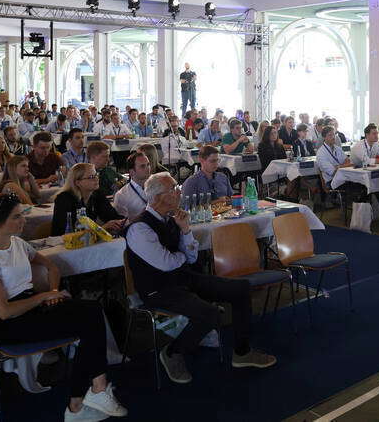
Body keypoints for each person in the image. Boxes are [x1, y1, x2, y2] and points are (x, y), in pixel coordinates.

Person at [0, 192, 127, 421]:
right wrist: (45, 296)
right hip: (8, 325)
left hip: (30, 308)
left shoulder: (17, 243)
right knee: (89, 321)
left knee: (92, 311)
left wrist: (51, 292)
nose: (23, 221)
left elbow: (52, 267)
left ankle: (88, 396)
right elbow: (3, 311)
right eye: (16, 217)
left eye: (22, 215)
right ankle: (85, 397)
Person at [126, 172, 274, 384]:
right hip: (157, 289)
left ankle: (242, 352)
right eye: (174, 189)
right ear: (159, 197)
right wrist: (182, 256)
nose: (179, 192)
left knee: (241, 288)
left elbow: (191, 256)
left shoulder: (173, 218)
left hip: (183, 278)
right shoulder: (140, 228)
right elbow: (167, 264)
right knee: (210, 314)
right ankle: (173, 352)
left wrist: (185, 230)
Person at [51, 163, 125, 236]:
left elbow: (112, 216)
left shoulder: (96, 194)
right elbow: (70, 231)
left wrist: (124, 221)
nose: (97, 179)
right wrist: (103, 228)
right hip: (63, 243)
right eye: (91, 177)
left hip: (87, 241)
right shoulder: (64, 199)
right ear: (78, 182)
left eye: (96, 175)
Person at [112, 152, 151, 220]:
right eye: (142, 166)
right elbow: (122, 225)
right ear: (132, 172)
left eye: (148, 164)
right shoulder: (122, 195)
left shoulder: (157, 185)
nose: (148, 168)